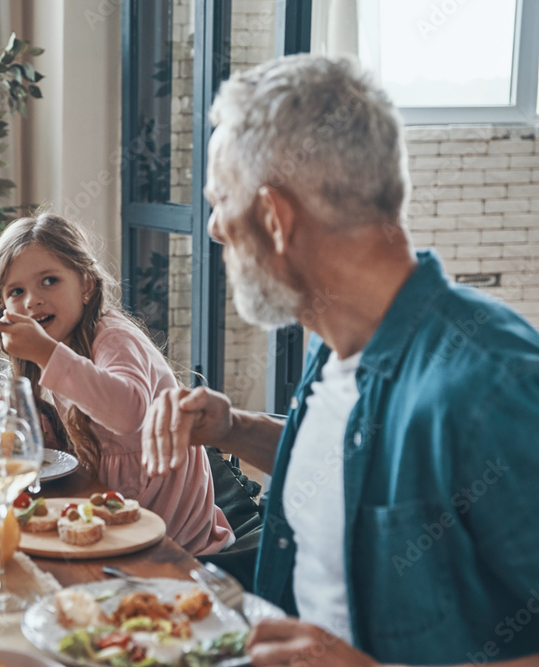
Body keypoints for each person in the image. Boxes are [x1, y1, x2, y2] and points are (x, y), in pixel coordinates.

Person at [142, 54, 539, 665]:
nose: (217, 229)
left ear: (275, 217)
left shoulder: (492, 384)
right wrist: (231, 429)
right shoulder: (338, 341)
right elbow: (351, 469)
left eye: (222, 200)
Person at [0, 213, 235, 556]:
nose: (32, 300)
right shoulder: (59, 347)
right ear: (2, 309)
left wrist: (44, 351)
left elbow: (127, 412)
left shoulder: (113, 338)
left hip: (175, 543)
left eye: (49, 281)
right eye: (16, 291)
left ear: (86, 285)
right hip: (114, 516)